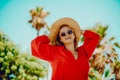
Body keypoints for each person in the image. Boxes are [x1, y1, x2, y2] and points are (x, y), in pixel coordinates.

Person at [31, 17, 100, 80]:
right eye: (63, 34)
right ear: (60, 39)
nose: (67, 35)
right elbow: (35, 45)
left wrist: (80, 31)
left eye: (69, 32)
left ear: (74, 35)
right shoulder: (55, 52)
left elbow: (94, 38)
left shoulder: (84, 52)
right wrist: (51, 36)